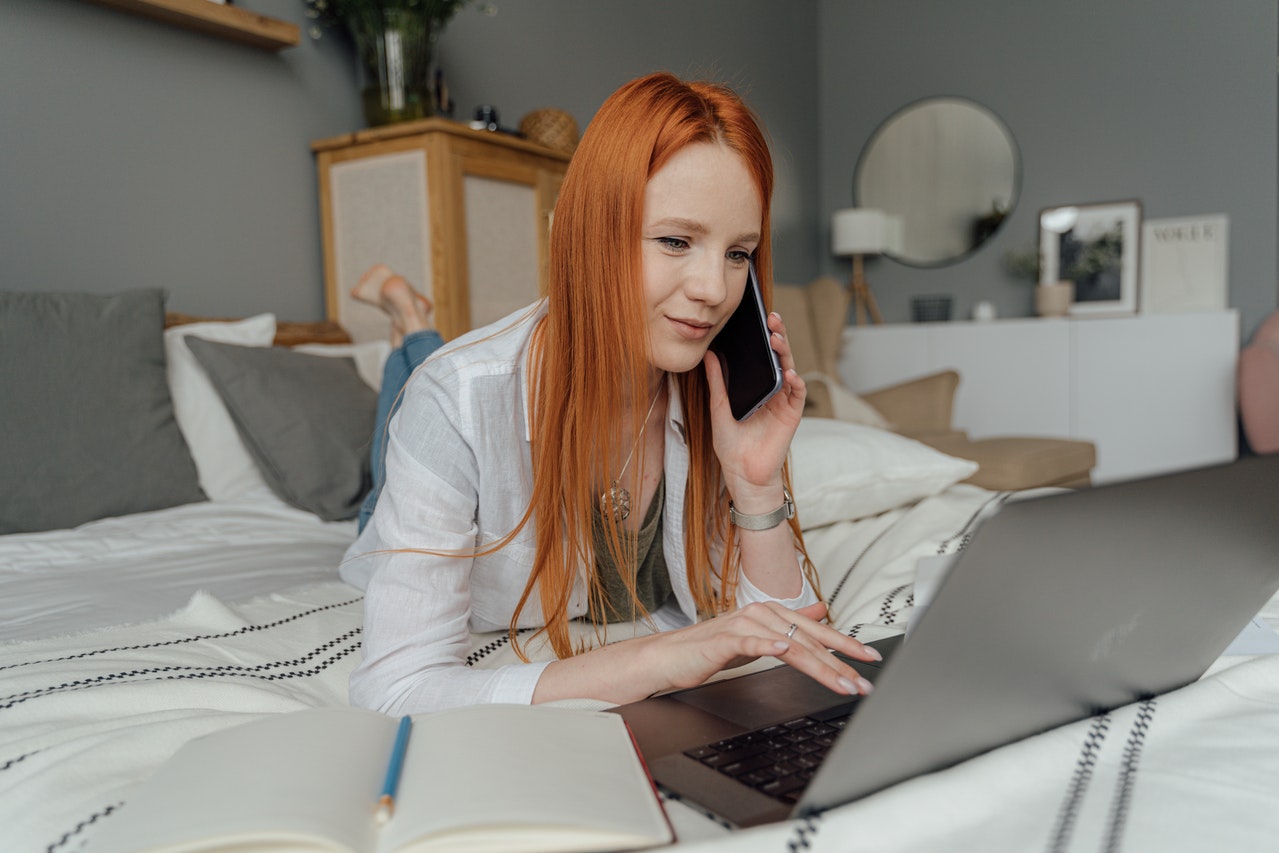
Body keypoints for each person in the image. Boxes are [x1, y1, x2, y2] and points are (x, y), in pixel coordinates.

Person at [339, 71, 881, 715]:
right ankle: (409, 320)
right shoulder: (455, 401)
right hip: (425, 443)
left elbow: (778, 638)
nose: (713, 289)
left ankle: (414, 324)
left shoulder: (703, 390)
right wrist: (656, 660)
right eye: (677, 241)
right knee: (421, 378)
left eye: (739, 253)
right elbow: (395, 687)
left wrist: (756, 486)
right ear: (592, 233)